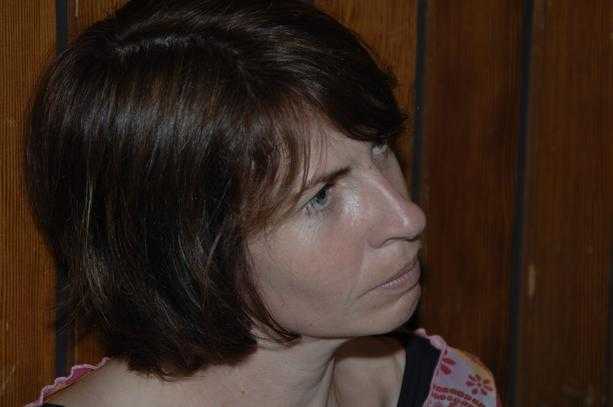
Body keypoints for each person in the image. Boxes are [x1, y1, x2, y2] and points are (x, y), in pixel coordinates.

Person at [24, 0, 499, 406]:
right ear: (191, 250)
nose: (408, 217)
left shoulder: (446, 389)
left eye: (380, 148)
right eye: (320, 196)